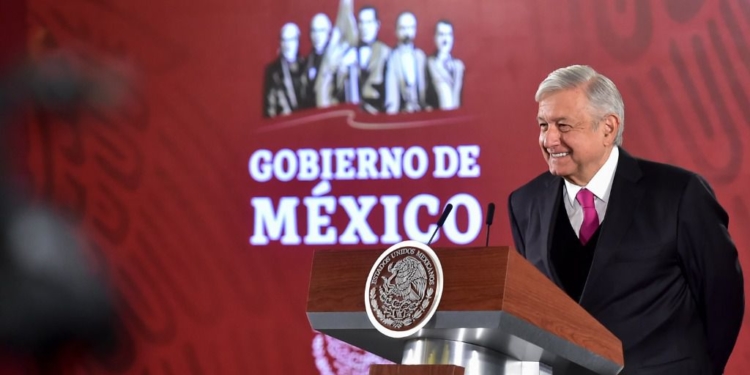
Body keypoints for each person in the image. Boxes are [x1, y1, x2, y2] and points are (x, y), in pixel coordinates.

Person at [507, 65, 744, 374]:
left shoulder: (678, 195)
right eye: (543, 125)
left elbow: (722, 298)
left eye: (563, 126)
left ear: (608, 128)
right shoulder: (525, 203)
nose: (549, 140)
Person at [384, 12, 427, 114]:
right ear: (396, 31)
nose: (407, 33)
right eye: (403, 28)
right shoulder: (391, 58)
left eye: (410, 28)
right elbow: (391, 96)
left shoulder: (421, 57)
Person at [263, 23, 305, 118]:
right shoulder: (273, 71)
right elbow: (270, 107)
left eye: (291, 40)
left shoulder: (305, 65)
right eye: (284, 40)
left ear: (298, 41)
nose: (288, 45)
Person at [425, 19, 464, 110]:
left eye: (448, 35)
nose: (445, 40)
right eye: (441, 35)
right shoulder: (429, 63)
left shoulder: (459, 66)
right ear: (434, 38)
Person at [301, 13, 332, 109]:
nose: (317, 35)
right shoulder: (306, 62)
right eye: (314, 31)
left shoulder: (336, 61)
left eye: (321, 30)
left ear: (329, 33)